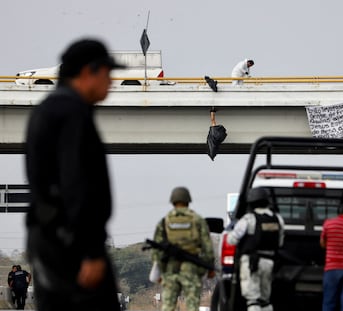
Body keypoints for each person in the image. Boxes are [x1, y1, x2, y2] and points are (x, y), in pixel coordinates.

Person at [25, 38, 126, 311]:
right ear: (86, 72)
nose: (111, 82)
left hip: (50, 235)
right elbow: (76, 184)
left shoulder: (49, 109)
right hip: (71, 243)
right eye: (107, 74)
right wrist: (92, 250)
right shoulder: (72, 112)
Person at [151, 186, 215, 311]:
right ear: (188, 200)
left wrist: (159, 271)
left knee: (168, 306)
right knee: (192, 306)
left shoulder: (165, 221)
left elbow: (156, 250)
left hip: (170, 269)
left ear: (173, 201)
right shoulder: (197, 220)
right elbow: (207, 246)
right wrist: (209, 268)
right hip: (191, 269)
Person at [226, 187, 285, 311]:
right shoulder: (277, 219)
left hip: (251, 262)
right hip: (269, 262)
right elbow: (280, 242)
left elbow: (232, 239)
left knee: (253, 300)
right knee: (265, 300)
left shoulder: (249, 219)